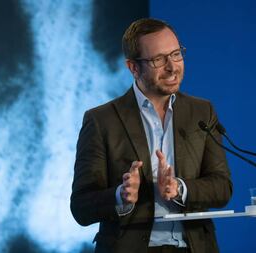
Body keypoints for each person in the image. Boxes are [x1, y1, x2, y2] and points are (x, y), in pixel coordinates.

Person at [70, 18, 233, 253]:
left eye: (176, 54)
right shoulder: (101, 120)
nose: (172, 66)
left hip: (194, 247)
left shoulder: (201, 111)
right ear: (133, 67)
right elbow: (81, 207)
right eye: (158, 59)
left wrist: (180, 188)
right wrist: (120, 196)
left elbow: (222, 188)